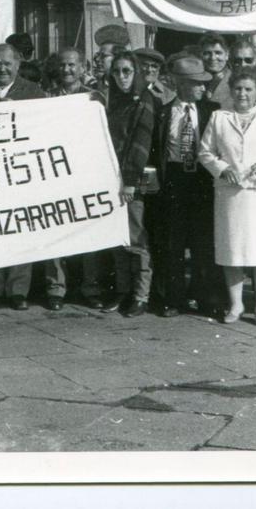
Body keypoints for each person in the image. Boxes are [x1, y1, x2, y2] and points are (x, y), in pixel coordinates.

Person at [198, 65, 256, 326]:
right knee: (233, 250)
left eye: (248, 89)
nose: (242, 94)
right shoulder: (219, 117)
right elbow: (205, 152)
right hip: (231, 194)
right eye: (238, 88)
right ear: (231, 90)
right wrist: (222, 168)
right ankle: (236, 303)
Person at [0, 43, 55, 310]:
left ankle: (18, 290)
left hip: (21, 171)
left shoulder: (33, 93)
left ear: (17, 65)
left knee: (20, 228)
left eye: (7, 63)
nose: (2, 68)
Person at [151, 55, 220, 318]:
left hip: (202, 181)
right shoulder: (164, 113)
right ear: (181, 84)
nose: (203, 88)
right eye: (197, 83)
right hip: (175, 180)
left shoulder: (212, 111)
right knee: (173, 242)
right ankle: (173, 298)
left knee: (203, 242)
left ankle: (205, 297)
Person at [46, 47, 106, 306]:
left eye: (72, 65)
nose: (67, 70)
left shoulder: (94, 98)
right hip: (56, 172)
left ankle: (90, 287)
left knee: (87, 231)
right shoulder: (45, 98)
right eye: (63, 65)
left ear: (83, 68)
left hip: (85, 172)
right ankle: (56, 289)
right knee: (55, 231)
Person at [103, 51, 155, 317]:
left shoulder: (144, 101)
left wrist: (131, 181)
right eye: (117, 72)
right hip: (112, 178)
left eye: (127, 71)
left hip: (133, 180)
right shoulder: (115, 102)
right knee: (117, 237)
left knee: (136, 237)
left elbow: (140, 144)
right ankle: (122, 290)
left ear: (136, 72)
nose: (121, 77)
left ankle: (140, 294)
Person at [199, 33, 234, 109]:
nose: (213, 58)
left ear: (227, 55)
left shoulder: (236, 79)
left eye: (218, 53)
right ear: (201, 55)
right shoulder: (195, 81)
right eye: (207, 53)